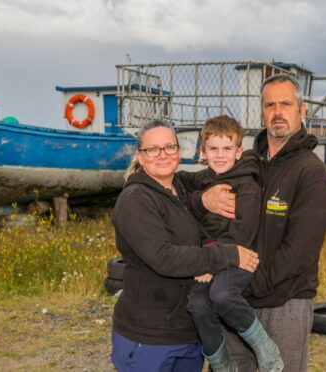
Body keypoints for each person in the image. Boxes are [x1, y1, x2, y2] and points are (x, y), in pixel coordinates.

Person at [194, 74, 326, 371]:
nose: (277, 112)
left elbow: (301, 251)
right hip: (237, 294)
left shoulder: (310, 172)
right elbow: (198, 194)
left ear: (302, 110)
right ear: (262, 111)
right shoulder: (244, 162)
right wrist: (202, 200)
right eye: (270, 105)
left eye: (286, 103)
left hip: (284, 299)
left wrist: (248, 287)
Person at [110, 120, 260, 372]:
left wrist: (203, 200)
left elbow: (214, 178)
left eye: (170, 147)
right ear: (139, 155)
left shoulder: (178, 186)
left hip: (186, 330)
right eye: (152, 149)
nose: (162, 155)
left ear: (180, 151)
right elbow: (164, 257)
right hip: (149, 335)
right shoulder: (136, 200)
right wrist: (227, 254)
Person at [180, 115, 283, 372]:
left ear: (239, 152)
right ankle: (221, 363)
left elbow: (243, 234)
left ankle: (264, 347)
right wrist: (199, 198)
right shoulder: (204, 177)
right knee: (197, 305)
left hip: (239, 256)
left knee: (222, 294)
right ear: (202, 151)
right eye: (213, 149)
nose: (220, 155)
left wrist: (210, 264)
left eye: (227, 149)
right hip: (210, 258)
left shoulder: (247, 186)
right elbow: (180, 178)